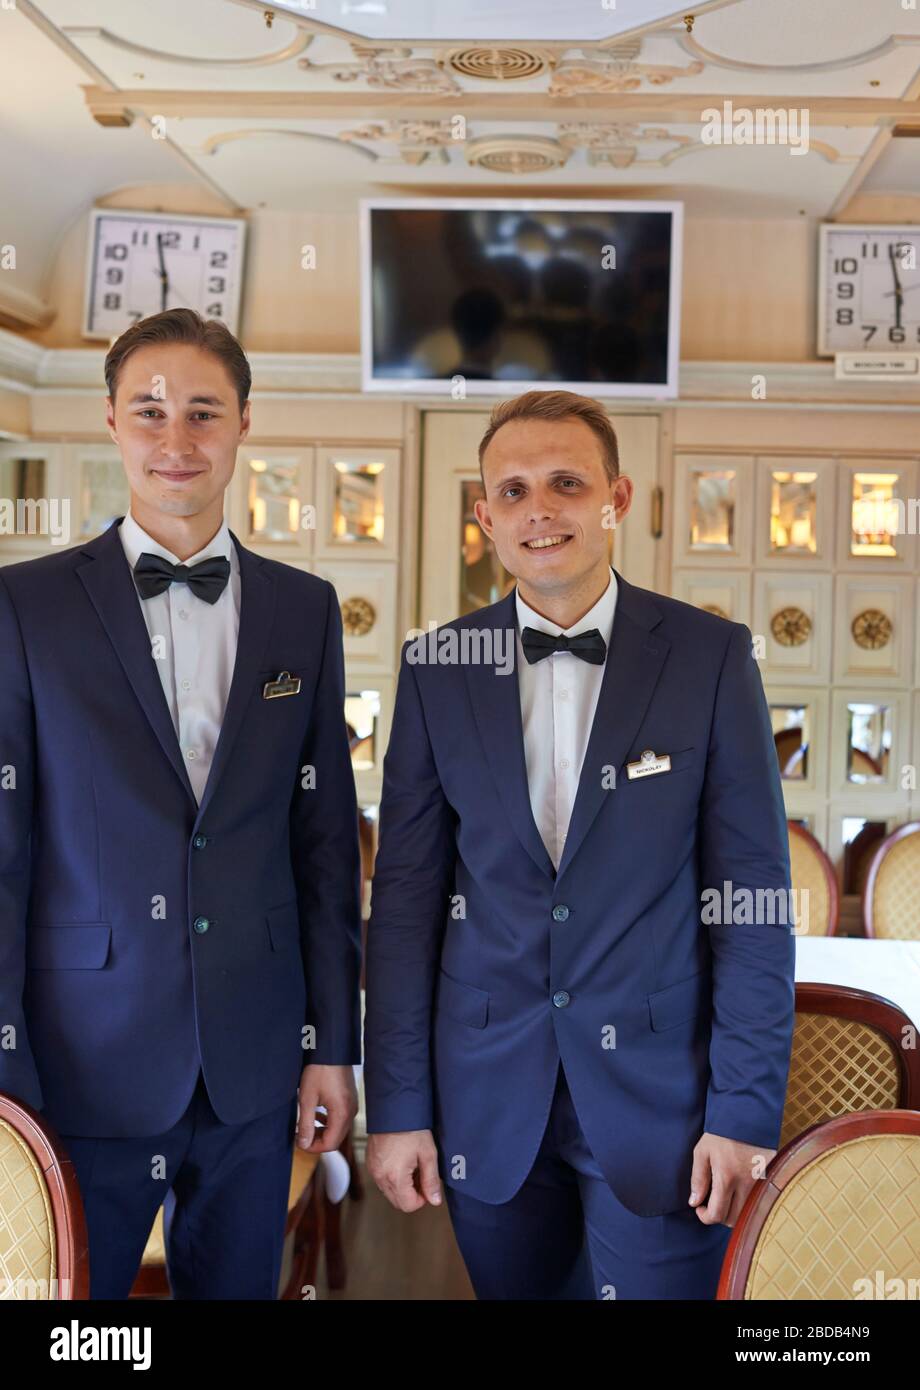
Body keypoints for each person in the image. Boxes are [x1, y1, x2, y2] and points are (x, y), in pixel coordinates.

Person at [364, 389, 795, 1300]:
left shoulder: (712, 658)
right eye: (512, 491)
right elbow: (404, 908)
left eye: (566, 482)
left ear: (617, 498)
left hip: (665, 1107)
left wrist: (745, 1112)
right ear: (485, 517)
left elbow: (752, 904)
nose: (539, 510)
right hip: (486, 1095)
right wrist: (396, 1109)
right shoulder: (433, 667)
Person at [0, 308, 362, 1299]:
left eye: (203, 410)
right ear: (111, 423)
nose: (176, 437)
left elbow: (323, 841)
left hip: (255, 1064)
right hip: (81, 1055)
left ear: (243, 423)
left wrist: (334, 1047)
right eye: (149, 410)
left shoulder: (303, 609)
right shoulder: (22, 606)